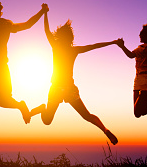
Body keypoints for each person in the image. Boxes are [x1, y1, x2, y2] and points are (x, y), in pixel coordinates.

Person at [29, 10, 119, 145]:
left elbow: (46, 31)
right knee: (86, 116)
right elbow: (94, 46)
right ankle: (105, 130)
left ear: (60, 37)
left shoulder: (56, 47)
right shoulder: (72, 50)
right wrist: (112, 42)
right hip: (67, 88)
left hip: (58, 88)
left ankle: (43, 108)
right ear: (70, 38)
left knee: (47, 120)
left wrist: (45, 13)